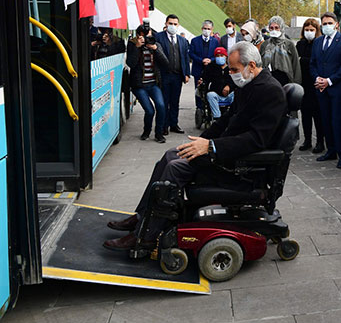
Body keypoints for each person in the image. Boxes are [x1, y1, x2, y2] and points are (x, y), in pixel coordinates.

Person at [103, 42, 287, 250]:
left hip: (242, 169)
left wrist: (210, 146)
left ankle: (146, 236)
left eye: (234, 69)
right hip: (228, 154)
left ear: (251, 65)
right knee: (171, 154)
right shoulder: (249, 85)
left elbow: (256, 140)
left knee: (175, 167)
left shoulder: (270, 91)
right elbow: (226, 120)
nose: (232, 74)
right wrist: (201, 142)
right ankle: (142, 216)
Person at [310, 12, 341, 169]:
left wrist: (329, 81)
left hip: (337, 89)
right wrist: (318, 79)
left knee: (338, 122)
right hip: (321, 89)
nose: (326, 25)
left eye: (329, 23)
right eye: (324, 23)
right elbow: (313, 63)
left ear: (336, 24)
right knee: (325, 121)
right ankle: (331, 150)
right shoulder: (318, 42)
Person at [126, 25, 169, 143]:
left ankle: (159, 133)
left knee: (161, 106)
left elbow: (165, 63)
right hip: (139, 85)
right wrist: (137, 48)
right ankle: (146, 131)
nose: (146, 38)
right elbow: (131, 63)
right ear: (139, 35)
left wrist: (155, 49)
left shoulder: (155, 44)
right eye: (143, 35)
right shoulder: (133, 45)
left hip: (154, 84)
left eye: (149, 35)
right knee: (149, 110)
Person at [154, 14, 190, 135]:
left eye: (175, 24)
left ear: (178, 25)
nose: (173, 26)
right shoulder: (158, 37)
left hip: (177, 76)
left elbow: (185, 57)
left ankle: (174, 124)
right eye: (170, 23)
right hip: (164, 75)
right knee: (164, 101)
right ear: (166, 24)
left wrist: (187, 74)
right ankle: (164, 125)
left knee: (175, 101)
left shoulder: (182, 40)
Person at [297, 18, 324, 153]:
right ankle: (307, 140)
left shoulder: (319, 43)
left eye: (311, 30)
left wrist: (303, 60)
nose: (309, 32)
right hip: (303, 84)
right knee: (305, 114)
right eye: (307, 30)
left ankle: (320, 141)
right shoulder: (300, 44)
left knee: (317, 115)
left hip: (315, 83)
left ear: (316, 30)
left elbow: (317, 61)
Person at [259, 15, 301, 85]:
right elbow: (260, 64)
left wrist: (297, 83)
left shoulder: (289, 44)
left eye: (276, 28)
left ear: (281, 28)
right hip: (268, 80)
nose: (274, 30)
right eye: (271, 28)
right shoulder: (265, 45)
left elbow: (295, 64)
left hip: (286, 80)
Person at [189, 20, 219, 110]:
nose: (206, 30)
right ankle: (199, 108)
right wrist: (201, 60)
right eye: (205, 28)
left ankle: (209, 107)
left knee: (210, 89)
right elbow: (191, 54)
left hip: (210, 70)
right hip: (198, 69)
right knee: (198, 90)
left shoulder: (215, 41)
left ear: (212, 29)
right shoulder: (195, 40)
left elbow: (217, 55)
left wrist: (210, 60)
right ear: (202, 29)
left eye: (209, 29)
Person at [202, 47, 235, 120]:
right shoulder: (211, 67)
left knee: (237, 94)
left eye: (221, 55)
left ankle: (232, 115)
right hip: (216, 94)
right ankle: (217, 117)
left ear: (226, 56)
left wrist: (229, 86)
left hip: (229, 94)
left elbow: (236, 80)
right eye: (217, 56)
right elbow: (205, 79)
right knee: (210, 95)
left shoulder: (232, 67)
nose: (219, 57)